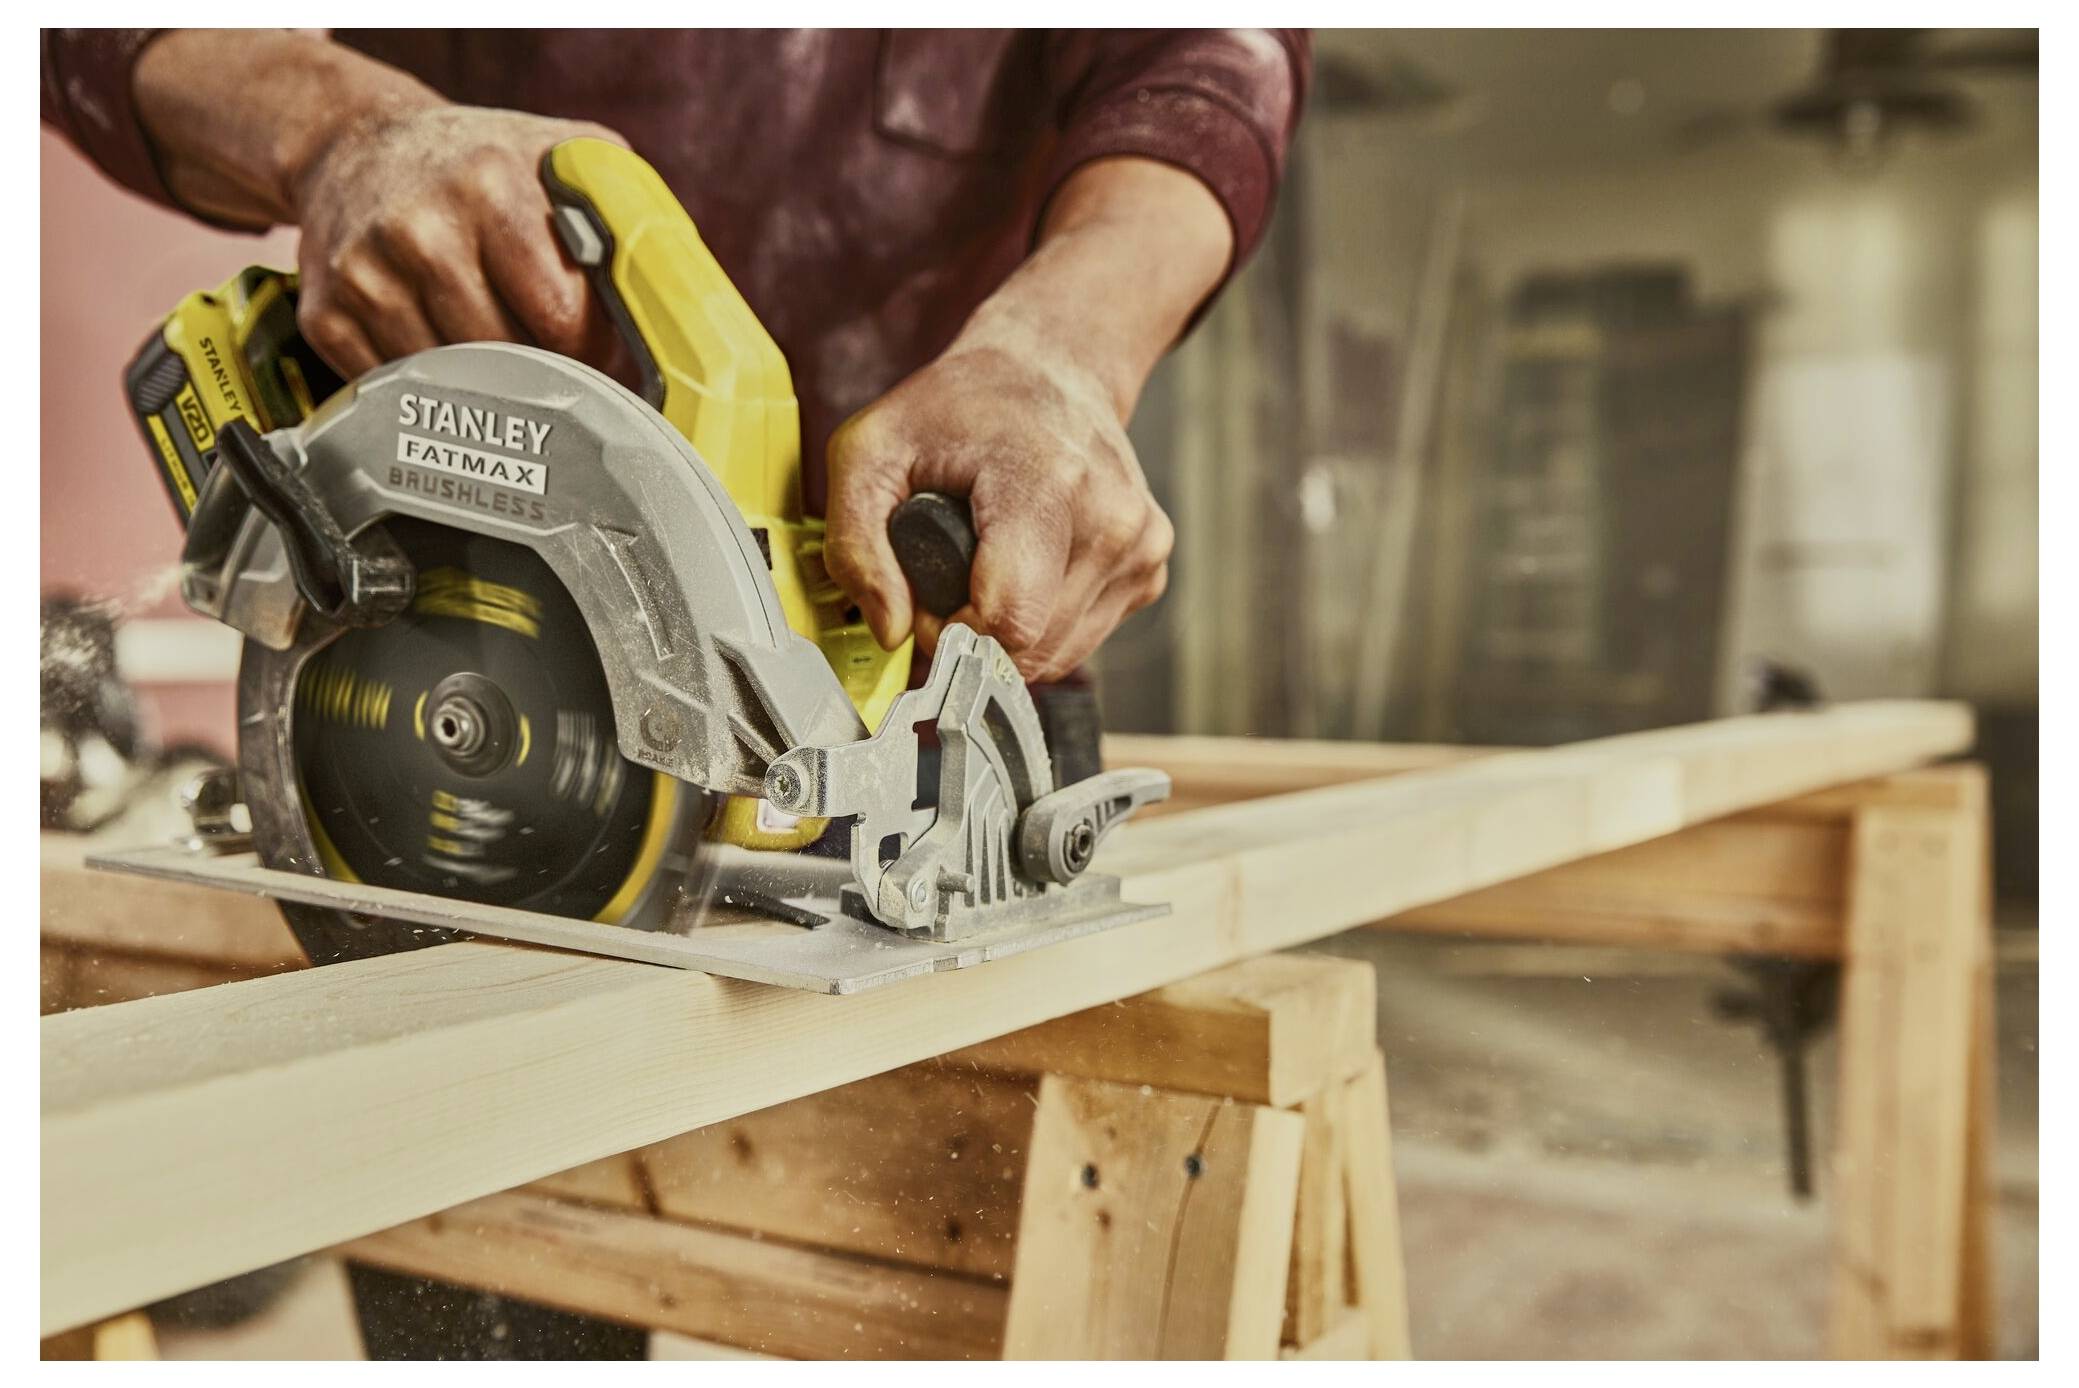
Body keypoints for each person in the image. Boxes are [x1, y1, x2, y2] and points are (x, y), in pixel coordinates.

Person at [44, 29, 1310, 686]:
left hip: (929, 672)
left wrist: (1062, 354)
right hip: (456, 660)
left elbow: (1203, 70)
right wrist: (337, 130)